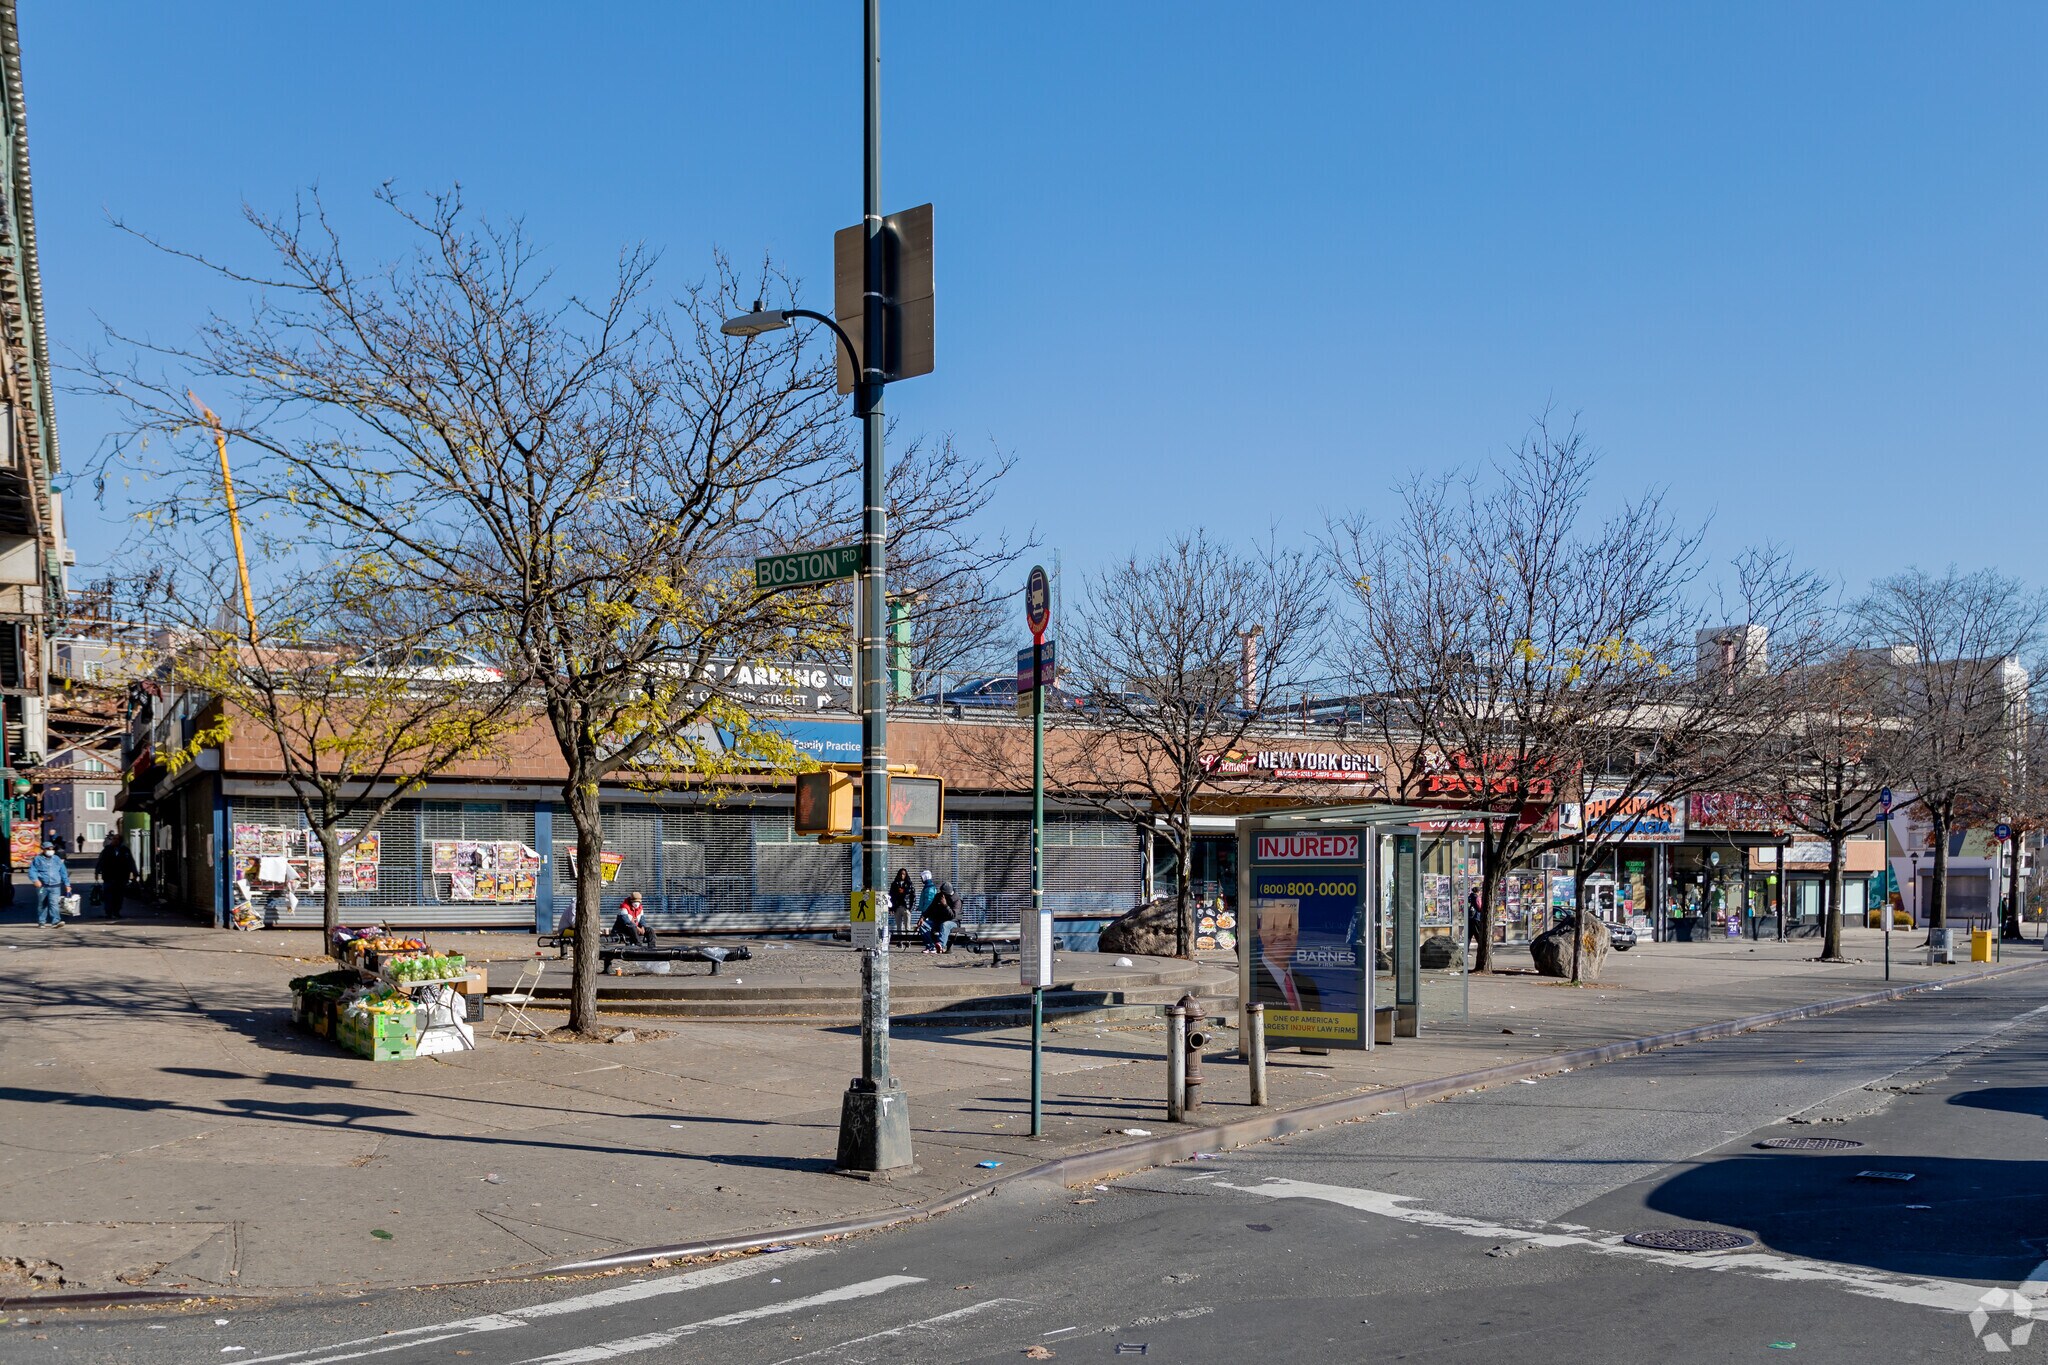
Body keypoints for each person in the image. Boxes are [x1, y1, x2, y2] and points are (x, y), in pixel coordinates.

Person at [1252, 897, 1320, 1011]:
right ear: (1260, 933)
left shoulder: (1309, 985)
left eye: (1289, 926)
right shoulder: (1253, 981)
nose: (1281, 935)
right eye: (1272, 928)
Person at [29, 840, 72, 929]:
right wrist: (35, 880)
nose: (50, 850)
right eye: (48, 848)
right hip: (42, 886)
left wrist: (67, 884)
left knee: (54, 903)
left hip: (55, 886)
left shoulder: (56, 859)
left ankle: (56, 921)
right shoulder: (37, 859)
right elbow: (32, 871)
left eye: (52, 848)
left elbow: (63, 872)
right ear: (43, 849)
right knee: (42, 904)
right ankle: (42, 921)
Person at [95, 834, 138, 921]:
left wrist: (134, 872)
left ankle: (116, 911)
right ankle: (108, 912)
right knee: (108, 895)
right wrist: (97, 872)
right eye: (113, 839)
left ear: (120, 841)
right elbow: (101, 860)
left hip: (121, 877)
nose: (114, 840)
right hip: (108, 876)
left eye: (117, 839)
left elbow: (130, 861)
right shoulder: (107, 849)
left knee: (119, 896)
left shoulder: (125, 850)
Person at [918, 880, 958, 954]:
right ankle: (931, 946)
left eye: (944, 894)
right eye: (941, 893)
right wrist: (923, 917)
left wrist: (945, 905)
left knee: (945, 925)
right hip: (938, 921)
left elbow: (953, 915)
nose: (942, 895)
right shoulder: (938, 896)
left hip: (952, 922)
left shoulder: (956, 900)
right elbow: (930, 908)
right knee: (923, 925)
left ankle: (940, 945)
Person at [887, 867, 915, 939]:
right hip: (897, 907)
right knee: (898, 926)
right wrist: (891, 908)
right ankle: (900, 941)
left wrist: (911, 908)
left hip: (906, 907)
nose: (902, 875)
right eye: (901, 874)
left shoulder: (909, 884)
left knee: (907, 926)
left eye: (904, 874)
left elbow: (913, 897)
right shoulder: (894, 884)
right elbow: (891, 896)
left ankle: (907, 940)